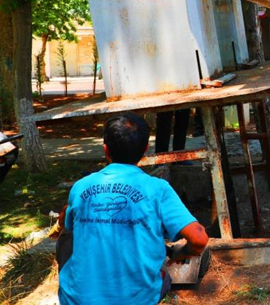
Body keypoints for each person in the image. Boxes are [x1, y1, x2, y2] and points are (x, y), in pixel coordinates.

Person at [55, 112, 208, 305]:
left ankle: (81, 283)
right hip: (136, 300)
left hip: (77, 299)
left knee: (68, 231)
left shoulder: (81, 186)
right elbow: (199, 238)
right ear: (145, 150)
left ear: (105, 149)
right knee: (161, 274)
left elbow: (66, 225)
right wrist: (182, 252)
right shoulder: (157, 189)